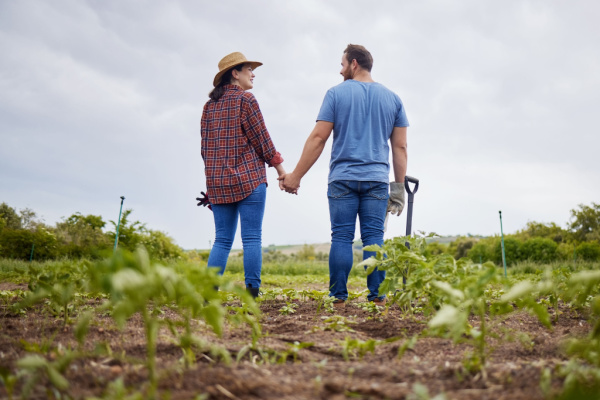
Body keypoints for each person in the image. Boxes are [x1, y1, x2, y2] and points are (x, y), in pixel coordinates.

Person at [279, 44, 409, 307]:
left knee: (341, 237)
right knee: (374, 238)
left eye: (341, 65)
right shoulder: (393, 99)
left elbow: (318, 137)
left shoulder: (335, 94)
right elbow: (400, 146)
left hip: (342, 179)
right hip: (376, 180)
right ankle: (378, 297)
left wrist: (295, 176)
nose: (340, 71)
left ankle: (338, 298)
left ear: (353, 63)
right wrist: (399, 187)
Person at [200, 52, 287, 298]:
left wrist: (213, 187)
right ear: (235, 73)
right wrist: (281, 170)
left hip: (218, 184)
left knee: (222, 240)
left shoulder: (208, 107)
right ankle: (251, 295)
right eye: (249, 69)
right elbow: (263, 142)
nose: (253, 73)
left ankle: (208, 295)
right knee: (251, 238)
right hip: (250, 179)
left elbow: (206, 150)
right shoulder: (246, 100)